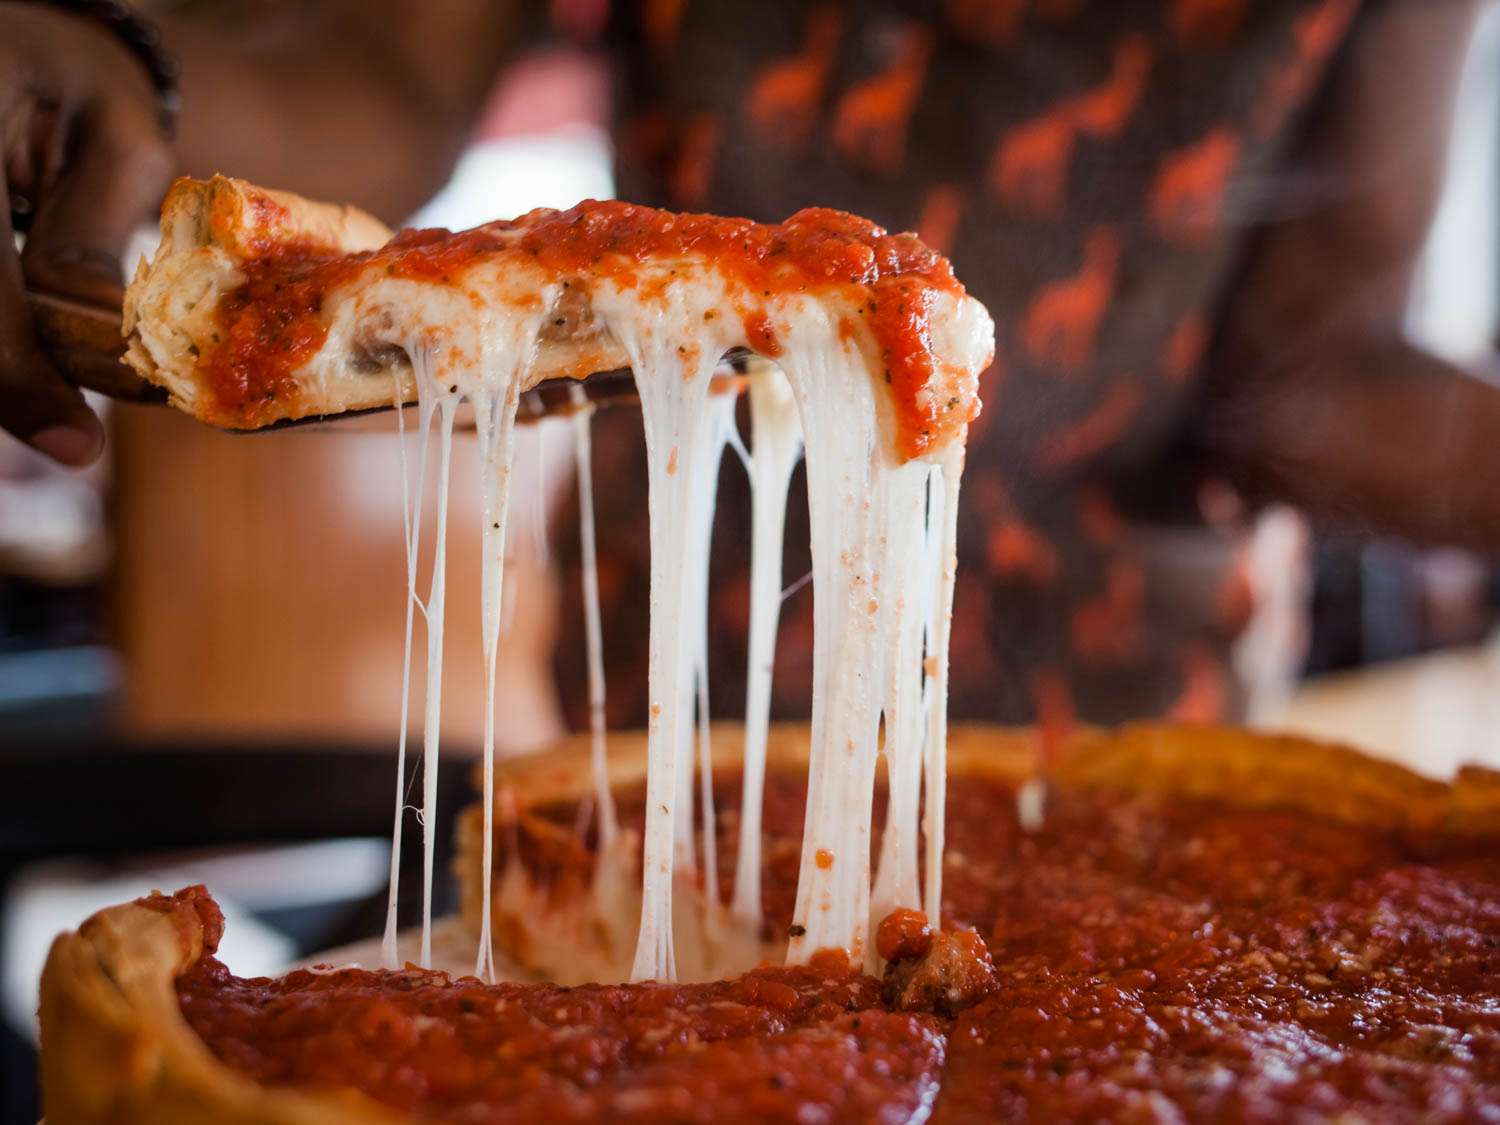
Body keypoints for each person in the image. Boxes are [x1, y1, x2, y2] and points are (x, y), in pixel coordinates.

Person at [2, 0, 1497, 735]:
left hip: (1120, 752)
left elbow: (1308, 374)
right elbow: (383, 81)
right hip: (669, 713)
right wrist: (120, 75)